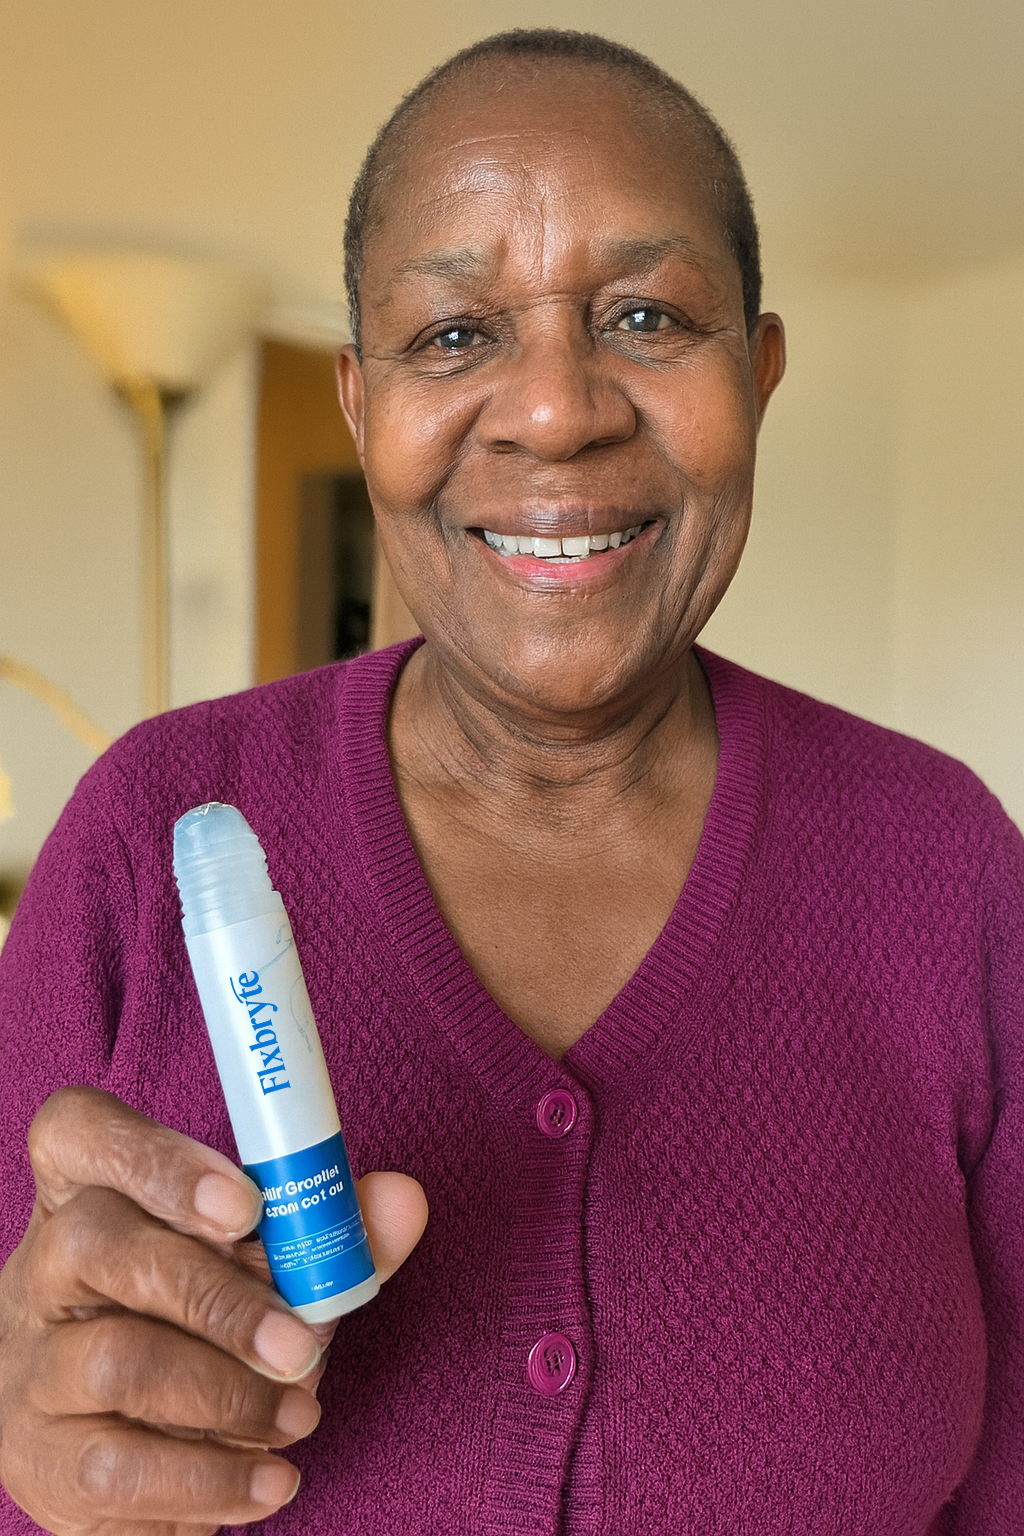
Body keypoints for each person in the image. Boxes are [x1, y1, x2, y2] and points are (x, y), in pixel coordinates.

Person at [0, 27, 1021, 1536]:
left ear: (762, 374)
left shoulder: (950, 869)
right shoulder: (148, 838)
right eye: (457, 335)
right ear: (361, 404)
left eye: (648, 315)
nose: (556, 411)